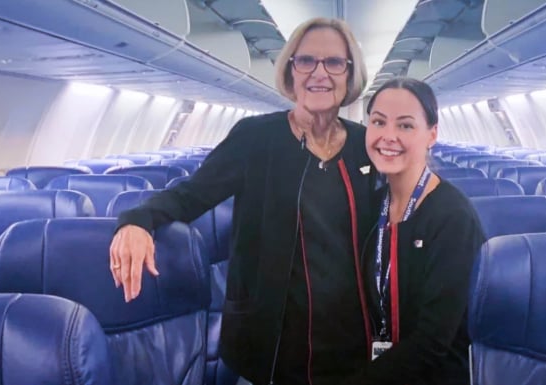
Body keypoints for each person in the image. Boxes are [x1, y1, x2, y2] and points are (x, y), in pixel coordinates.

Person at [108, 17, 379, 385]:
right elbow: (192, 193)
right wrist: (138, 220)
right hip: (270, 344)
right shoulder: (254, 138)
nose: (320, 73)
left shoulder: (366, 145)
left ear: (350, 74)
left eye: (334, 62)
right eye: (306, 61)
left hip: (350, 343)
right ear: (290, 70)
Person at [346, 77, 485, 384]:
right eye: (379, 122)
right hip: (382, 367)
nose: (388, 136)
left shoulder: (453, 218)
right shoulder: (372, 205)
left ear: (431, 134)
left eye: (405, 126)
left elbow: (433, 341)